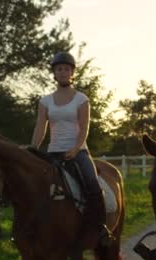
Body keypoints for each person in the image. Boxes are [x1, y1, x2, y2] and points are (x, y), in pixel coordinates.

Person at [29, 51, 114, 247]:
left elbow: (84, 128)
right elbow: (40, 127)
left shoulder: (81, 99)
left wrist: (76, 149)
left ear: (72, 72)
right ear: (54, 73)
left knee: (92, 183)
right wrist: (33, 148)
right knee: (34, 185)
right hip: (54, 152)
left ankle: (100, 227)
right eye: (59, 69)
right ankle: (32, 228)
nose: (63, 72)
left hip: (77, 151)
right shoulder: (45, 101)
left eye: (66, 69)